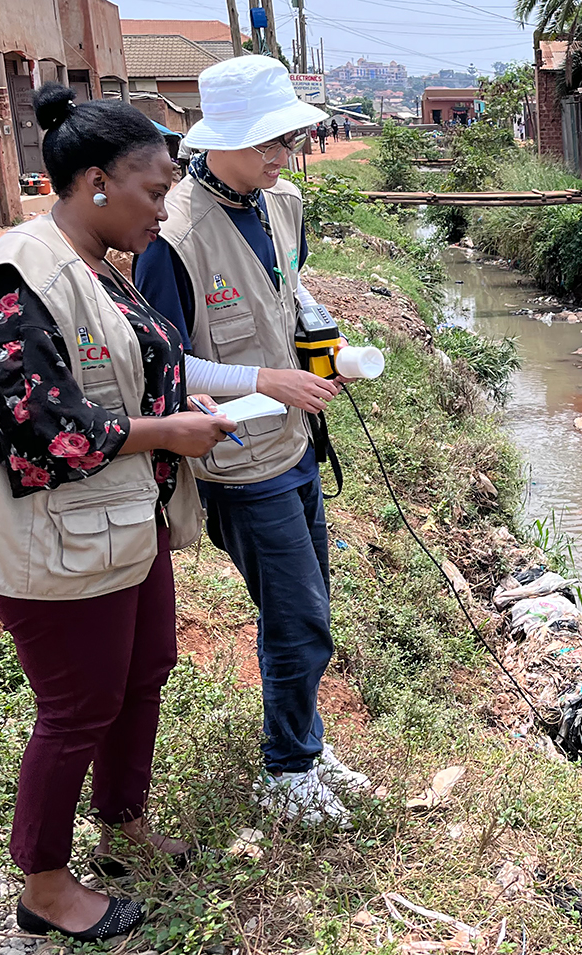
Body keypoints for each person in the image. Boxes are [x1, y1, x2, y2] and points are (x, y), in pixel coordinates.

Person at [0, 83, 237, 942]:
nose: (164, 210)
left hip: (121, 528)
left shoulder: (104, 265)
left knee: (146, 670)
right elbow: (40, 430)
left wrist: (211, 412)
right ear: (97, 182)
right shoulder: (19, 270)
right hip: (55, 541)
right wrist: (166, 432)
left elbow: (143, 369)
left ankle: (124, 828)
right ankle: (43, 882)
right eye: (154, 192)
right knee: (78, 706)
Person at [134, 55, 370, 825]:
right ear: (218, 141)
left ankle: (303, 739)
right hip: (240, 462)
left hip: (297, 444)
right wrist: (268, 381)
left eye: (288, 140)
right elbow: (165, 361)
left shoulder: (283, 203)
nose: (282, 156)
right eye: (267, 143)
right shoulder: (174, 237)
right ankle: (286, 768)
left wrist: (325, 344)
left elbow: (289, 288)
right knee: (298, 615)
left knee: (306, 605)